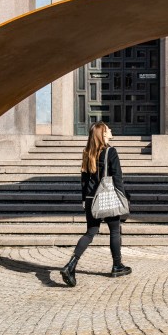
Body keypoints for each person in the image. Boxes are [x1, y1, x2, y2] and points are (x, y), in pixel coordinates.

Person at [59, 122, 132, 285]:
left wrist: (84, 199)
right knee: (114, 231)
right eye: (108, 129)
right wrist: (123, 197)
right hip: (107, 199)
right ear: (103, 134)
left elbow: (83, 181)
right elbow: (118, 178)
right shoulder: (110, 152)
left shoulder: (87, 153)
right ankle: (117, 266)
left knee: (90, 232)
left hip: (91, 200)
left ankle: (71, 265)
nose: (111, 130)